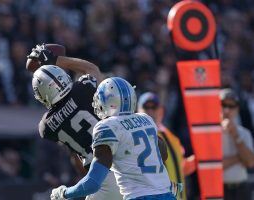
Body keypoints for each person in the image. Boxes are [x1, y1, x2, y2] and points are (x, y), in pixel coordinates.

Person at [50, 77, 175, 200]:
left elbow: (93, 183)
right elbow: (163, 154)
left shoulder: (107, 127)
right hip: (167, 195)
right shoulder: (146, 119)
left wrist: (64, 193)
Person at [27, 44, 122, 200]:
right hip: (122, 160)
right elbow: (91, 69)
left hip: (98, 176)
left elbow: (75, 157)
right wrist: (55, 59)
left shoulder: (45, 127)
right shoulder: (83, 90)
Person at [137, 92, 196, 200]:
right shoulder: (136, 138)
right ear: (137, 112)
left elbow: (181, 168)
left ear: (161, 111)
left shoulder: (173, 138)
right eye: (146, 107)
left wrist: (199, 159)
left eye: (153, 107)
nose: (150, 111)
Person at [220, 88, 254, 200]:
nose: (227, 110)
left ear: (237, 109)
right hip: (220, 190)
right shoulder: (211, 134)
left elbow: (250, 162)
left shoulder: (244, 133)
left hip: (242, 190)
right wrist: (240, 158)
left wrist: (235, 136)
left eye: (231, 106)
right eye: (223, 105)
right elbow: (215, 166)